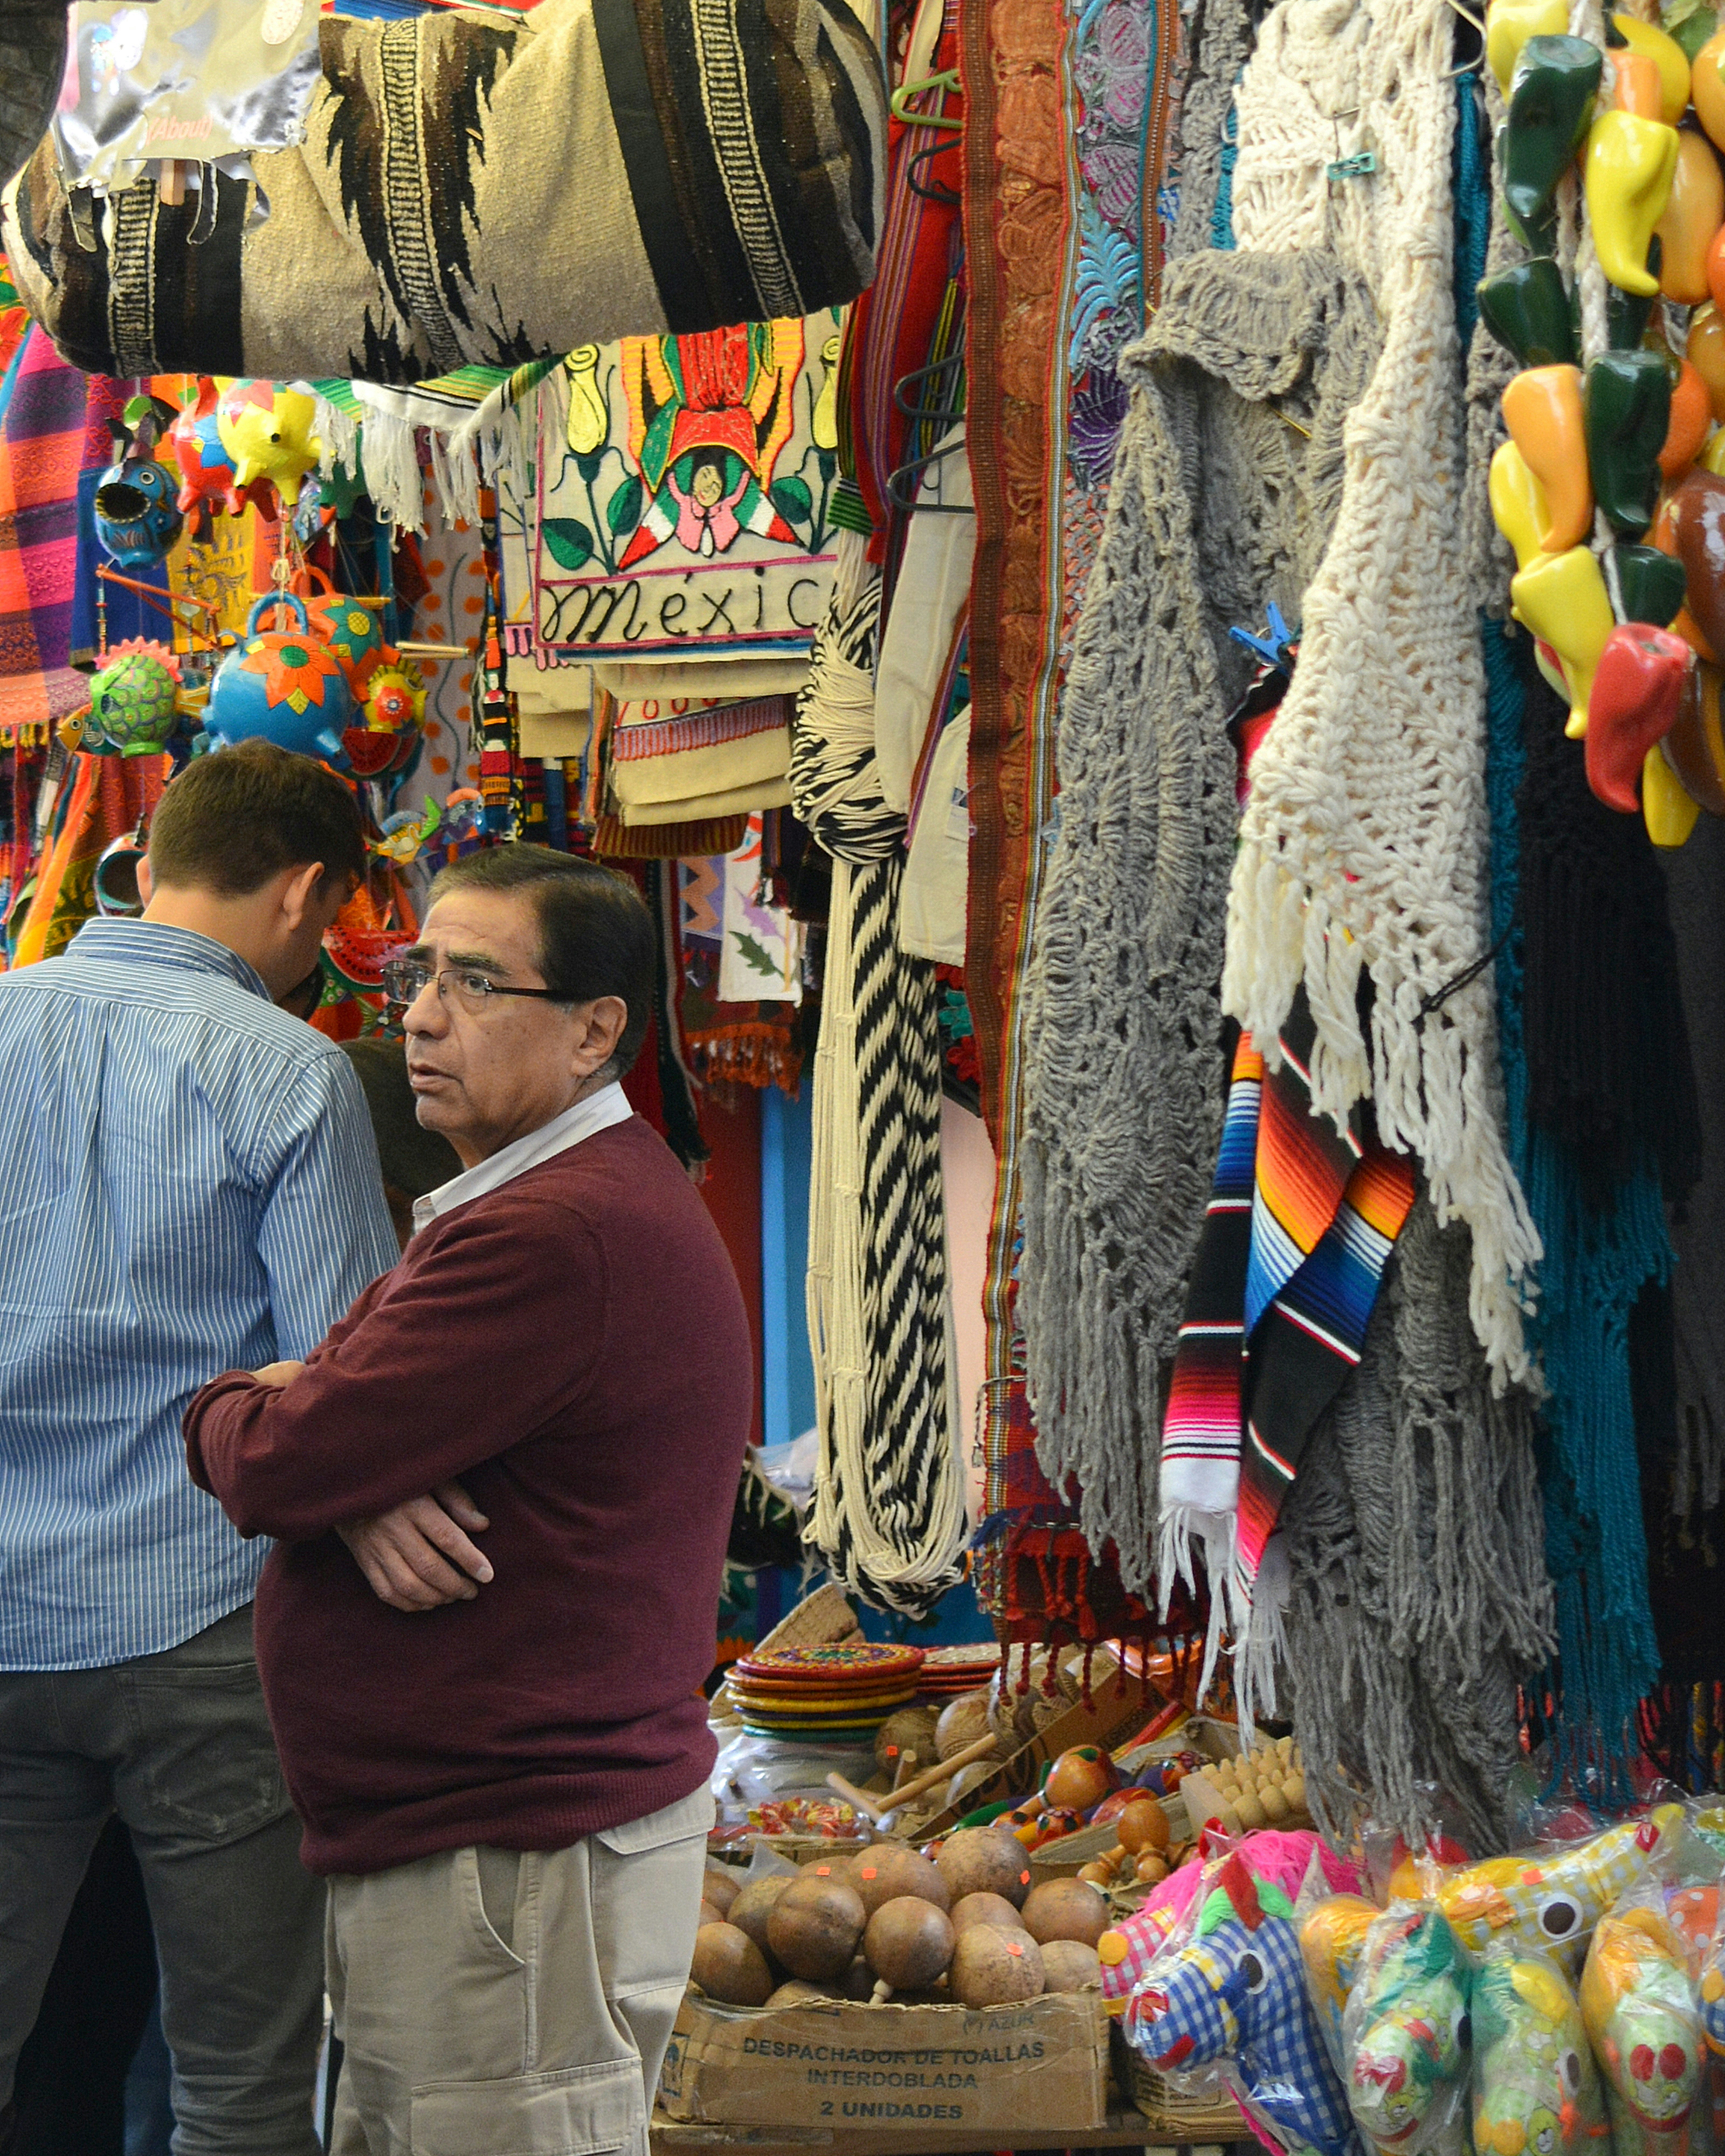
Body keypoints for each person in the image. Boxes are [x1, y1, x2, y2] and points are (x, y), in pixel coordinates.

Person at [184, 844, 753, 2155]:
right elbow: (319, 1444)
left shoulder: (549, 1232)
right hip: (492, 1869)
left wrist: (250, 1413)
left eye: (478, 982)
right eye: (417, 977)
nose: (425, 1017)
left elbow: (275, 1455)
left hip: (510, 1881)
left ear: (596, 1029)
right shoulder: (534, 1205)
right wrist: (336, 1471)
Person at [0, 740, 400, 2156]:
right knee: (240, 2088)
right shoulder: (294, 1074)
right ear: (305, 897)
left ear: (150, 864)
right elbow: (350, 1390)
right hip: (208, 1632)